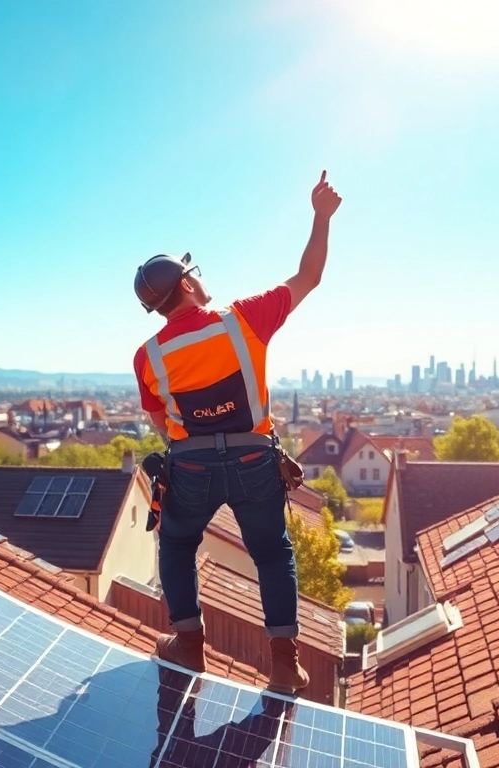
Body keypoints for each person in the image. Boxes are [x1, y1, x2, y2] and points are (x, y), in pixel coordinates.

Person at [132, 171, 342, 694]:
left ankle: (188, 644)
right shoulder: (243, 319)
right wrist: (321, 217)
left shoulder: (148, 356)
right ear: (187, 285)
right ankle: (284, 666)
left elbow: (161, 424)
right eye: (194, 273)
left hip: (191, 466)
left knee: (176, 544)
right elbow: (309, 276)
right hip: (254, 461)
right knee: (271, 553)